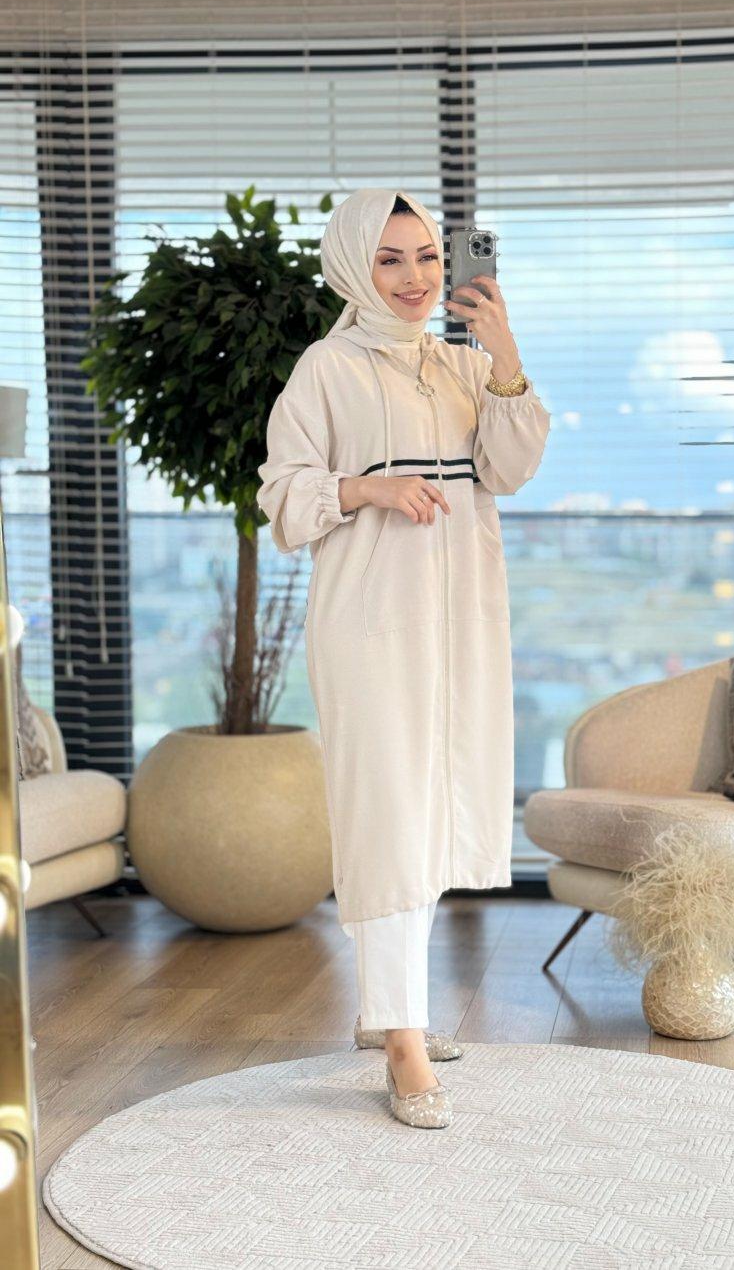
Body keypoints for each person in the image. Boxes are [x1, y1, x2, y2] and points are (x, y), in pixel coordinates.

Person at [256, 188, 550, 1127]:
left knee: (428, 808)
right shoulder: (327, 368)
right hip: (370, 618)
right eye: (390, 259)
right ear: (354, 265)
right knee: (387, 809)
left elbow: (510, 468)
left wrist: (505, 354)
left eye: (427, 255)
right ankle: (403, 1042)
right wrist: (369, 489)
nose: (416, 276)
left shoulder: (463, 364)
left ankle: (389, 1012)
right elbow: (282, 496)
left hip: (461, 617)